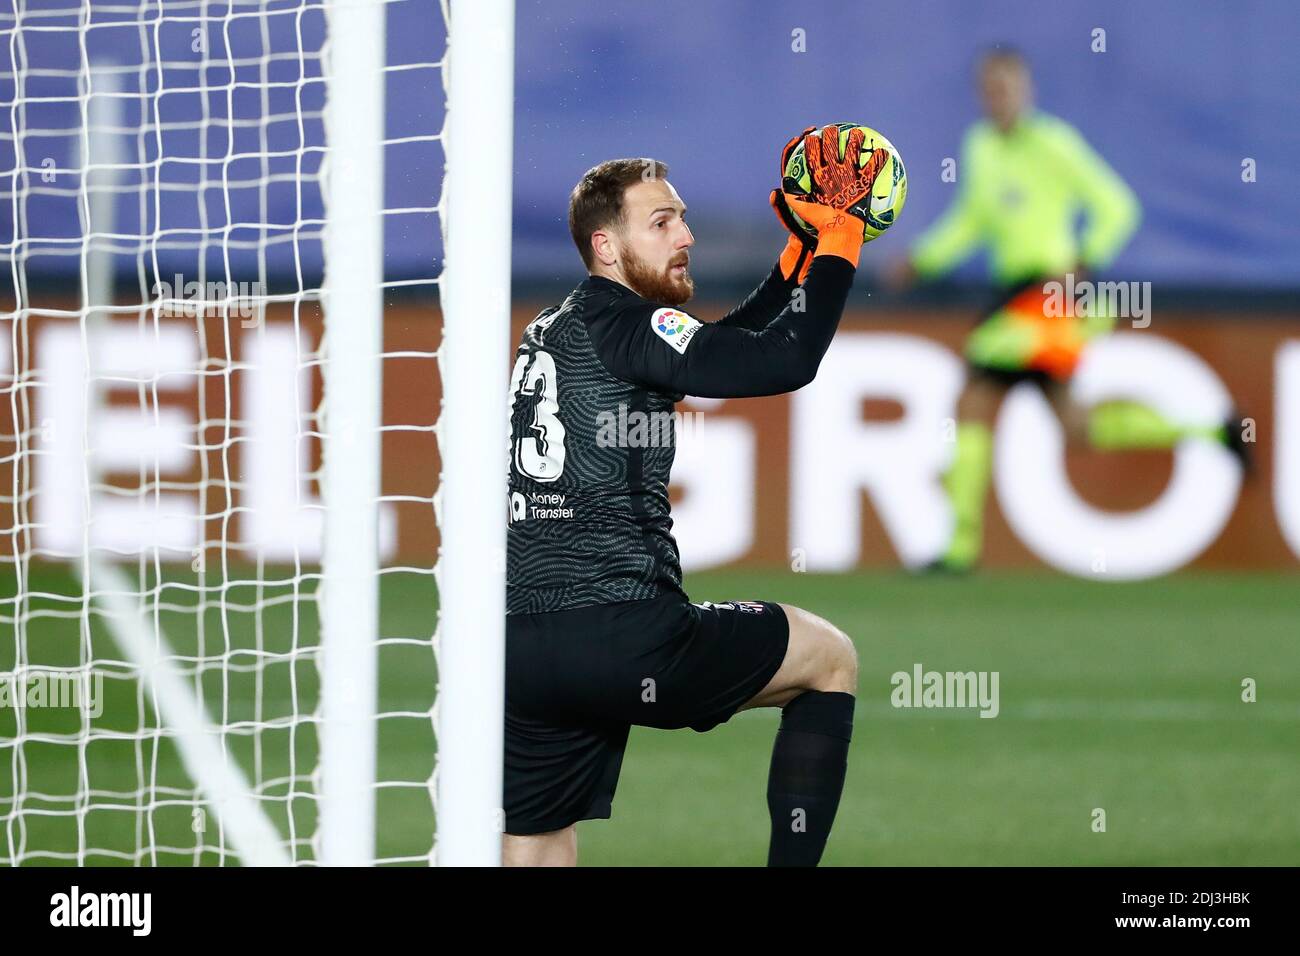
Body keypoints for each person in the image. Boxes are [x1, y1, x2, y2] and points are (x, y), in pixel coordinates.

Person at [503, 127, 881, 865]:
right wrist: (840, 239)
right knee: (830, 657)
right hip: (629, 637)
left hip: (523, 648)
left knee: (538, 847)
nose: (687, 235)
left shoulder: (555, 325)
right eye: (662, 222)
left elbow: (718, 345)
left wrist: (795, 256)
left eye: (681, 217)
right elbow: (786, 359)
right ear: (607, 247)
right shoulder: (632, 326)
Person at [887, 47, 1245, 572]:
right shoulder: (980, 144)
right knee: (1075, 428)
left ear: (1027, 90)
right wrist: (924, 259)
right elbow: (972, 219)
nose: (999, 96)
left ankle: (960, 550)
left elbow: (1118, 205)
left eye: (1007, 86)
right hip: (1014, 295)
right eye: (990, 87)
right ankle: (1212, 430)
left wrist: (1083, 261)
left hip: (1052, 295)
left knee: (973, 396)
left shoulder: (1054, 143)